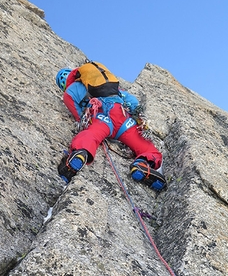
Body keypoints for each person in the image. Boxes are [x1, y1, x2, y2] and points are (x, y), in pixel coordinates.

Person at [55, 61, 166, 191]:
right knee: (147, 148)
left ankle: (80, 154)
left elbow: (69, 97)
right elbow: (132, 101)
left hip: (103, 117)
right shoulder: (110, 86)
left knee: (90, 135)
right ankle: (143, 163)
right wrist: (138, 119)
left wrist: (82, 118)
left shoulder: (76, 86)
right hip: (123, 118)